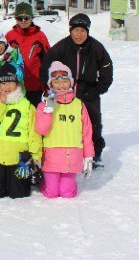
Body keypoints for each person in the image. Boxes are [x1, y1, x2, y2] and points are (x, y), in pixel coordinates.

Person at [40, 13, 113, 168]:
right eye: (75, 30)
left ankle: (95, 155)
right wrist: (51, 88)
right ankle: (52, 154)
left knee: (93, 124)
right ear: (70, 30)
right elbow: (45, 66)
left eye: (82, 31)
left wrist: (98, 89)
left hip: (88, 92)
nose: (79, 34)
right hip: (62, 93)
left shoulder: (96, 47)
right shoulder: (61, 47)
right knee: (57, 122)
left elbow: (107, 69)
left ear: (87, 31)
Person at [0, 64, 42, 199]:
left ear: (17, 83)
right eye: (3, 83)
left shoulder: (27, 105)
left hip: (19, 157)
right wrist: (0, 104)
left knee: (20, 194)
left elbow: (34, 133)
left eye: (10, 82)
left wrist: (35, 155)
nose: (7, 86)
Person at [35, 62, 94, 199]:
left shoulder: (79, 105)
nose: (61, 85)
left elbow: (86, 132)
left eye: (65, 81)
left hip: (72, 156)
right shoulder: (43, 105)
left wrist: (89, 155)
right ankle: (40, 179)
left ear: (71, 83)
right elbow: (41, 129)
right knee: (52, 193)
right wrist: (48, 109)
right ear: (51, 84)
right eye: (57, 82)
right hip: (52, 156)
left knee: (67, 194)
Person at [5, 3, 51, 107]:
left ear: (31, 18)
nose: (23, 21)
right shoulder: (9, 36)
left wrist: (47, 84)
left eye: (26, 17)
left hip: (34, 85)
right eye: (20, 18)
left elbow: (48, 61)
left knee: (32, 116)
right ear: (16, 19)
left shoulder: (40, 36)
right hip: (14, 85)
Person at [0, 30, 25, 100]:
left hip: (16, 95)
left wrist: (11, 63)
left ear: (5, 43)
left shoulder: (15, 54)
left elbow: (20, 76)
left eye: (0, 44)